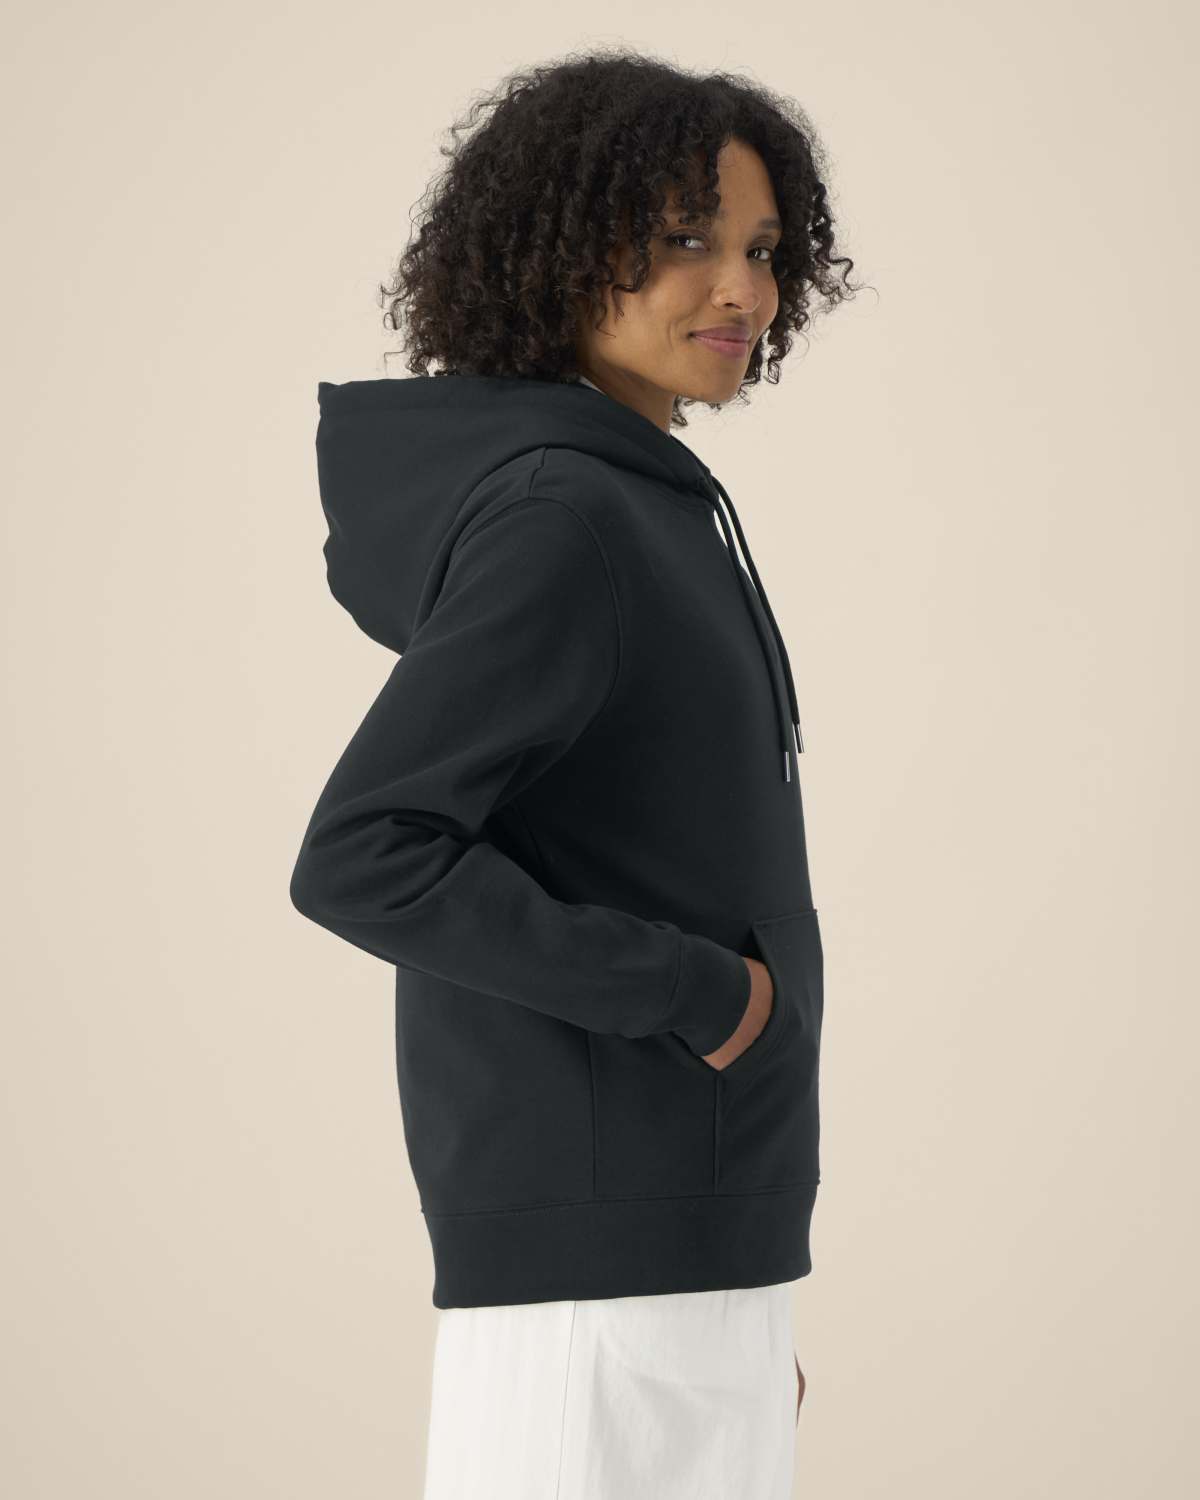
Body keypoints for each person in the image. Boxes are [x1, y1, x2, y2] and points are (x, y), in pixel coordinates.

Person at [289, 46, 859, 1500]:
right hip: (595, 1292)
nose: (740, 290)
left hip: (689, 1260)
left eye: (762, 250)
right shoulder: (567, 519)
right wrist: (697, 997)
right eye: (683, 241)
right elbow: (366, 853)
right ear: (558, 252)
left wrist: (732, 1286)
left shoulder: (652, 509)